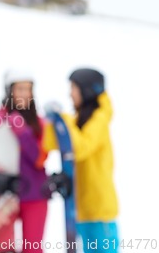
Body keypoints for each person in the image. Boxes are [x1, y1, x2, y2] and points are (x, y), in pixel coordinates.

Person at [44, 68, 119, 253]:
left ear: (86, 90)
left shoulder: (99, 119)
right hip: (81, 207)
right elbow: (51, 144)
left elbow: (80, 147)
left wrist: (64, 120)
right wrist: (52, 123)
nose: (70, 93)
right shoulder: (78, 119)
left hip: (100, 212)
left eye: (74, 88)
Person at [0, 69, 48, 253]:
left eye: (28, 89)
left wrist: (23, 132)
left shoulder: (40, 124)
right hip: (4, 194)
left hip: (34, 194)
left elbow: (39, 158)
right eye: (20, 89)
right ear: (10, 91)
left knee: (32, 249)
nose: (25, 94)